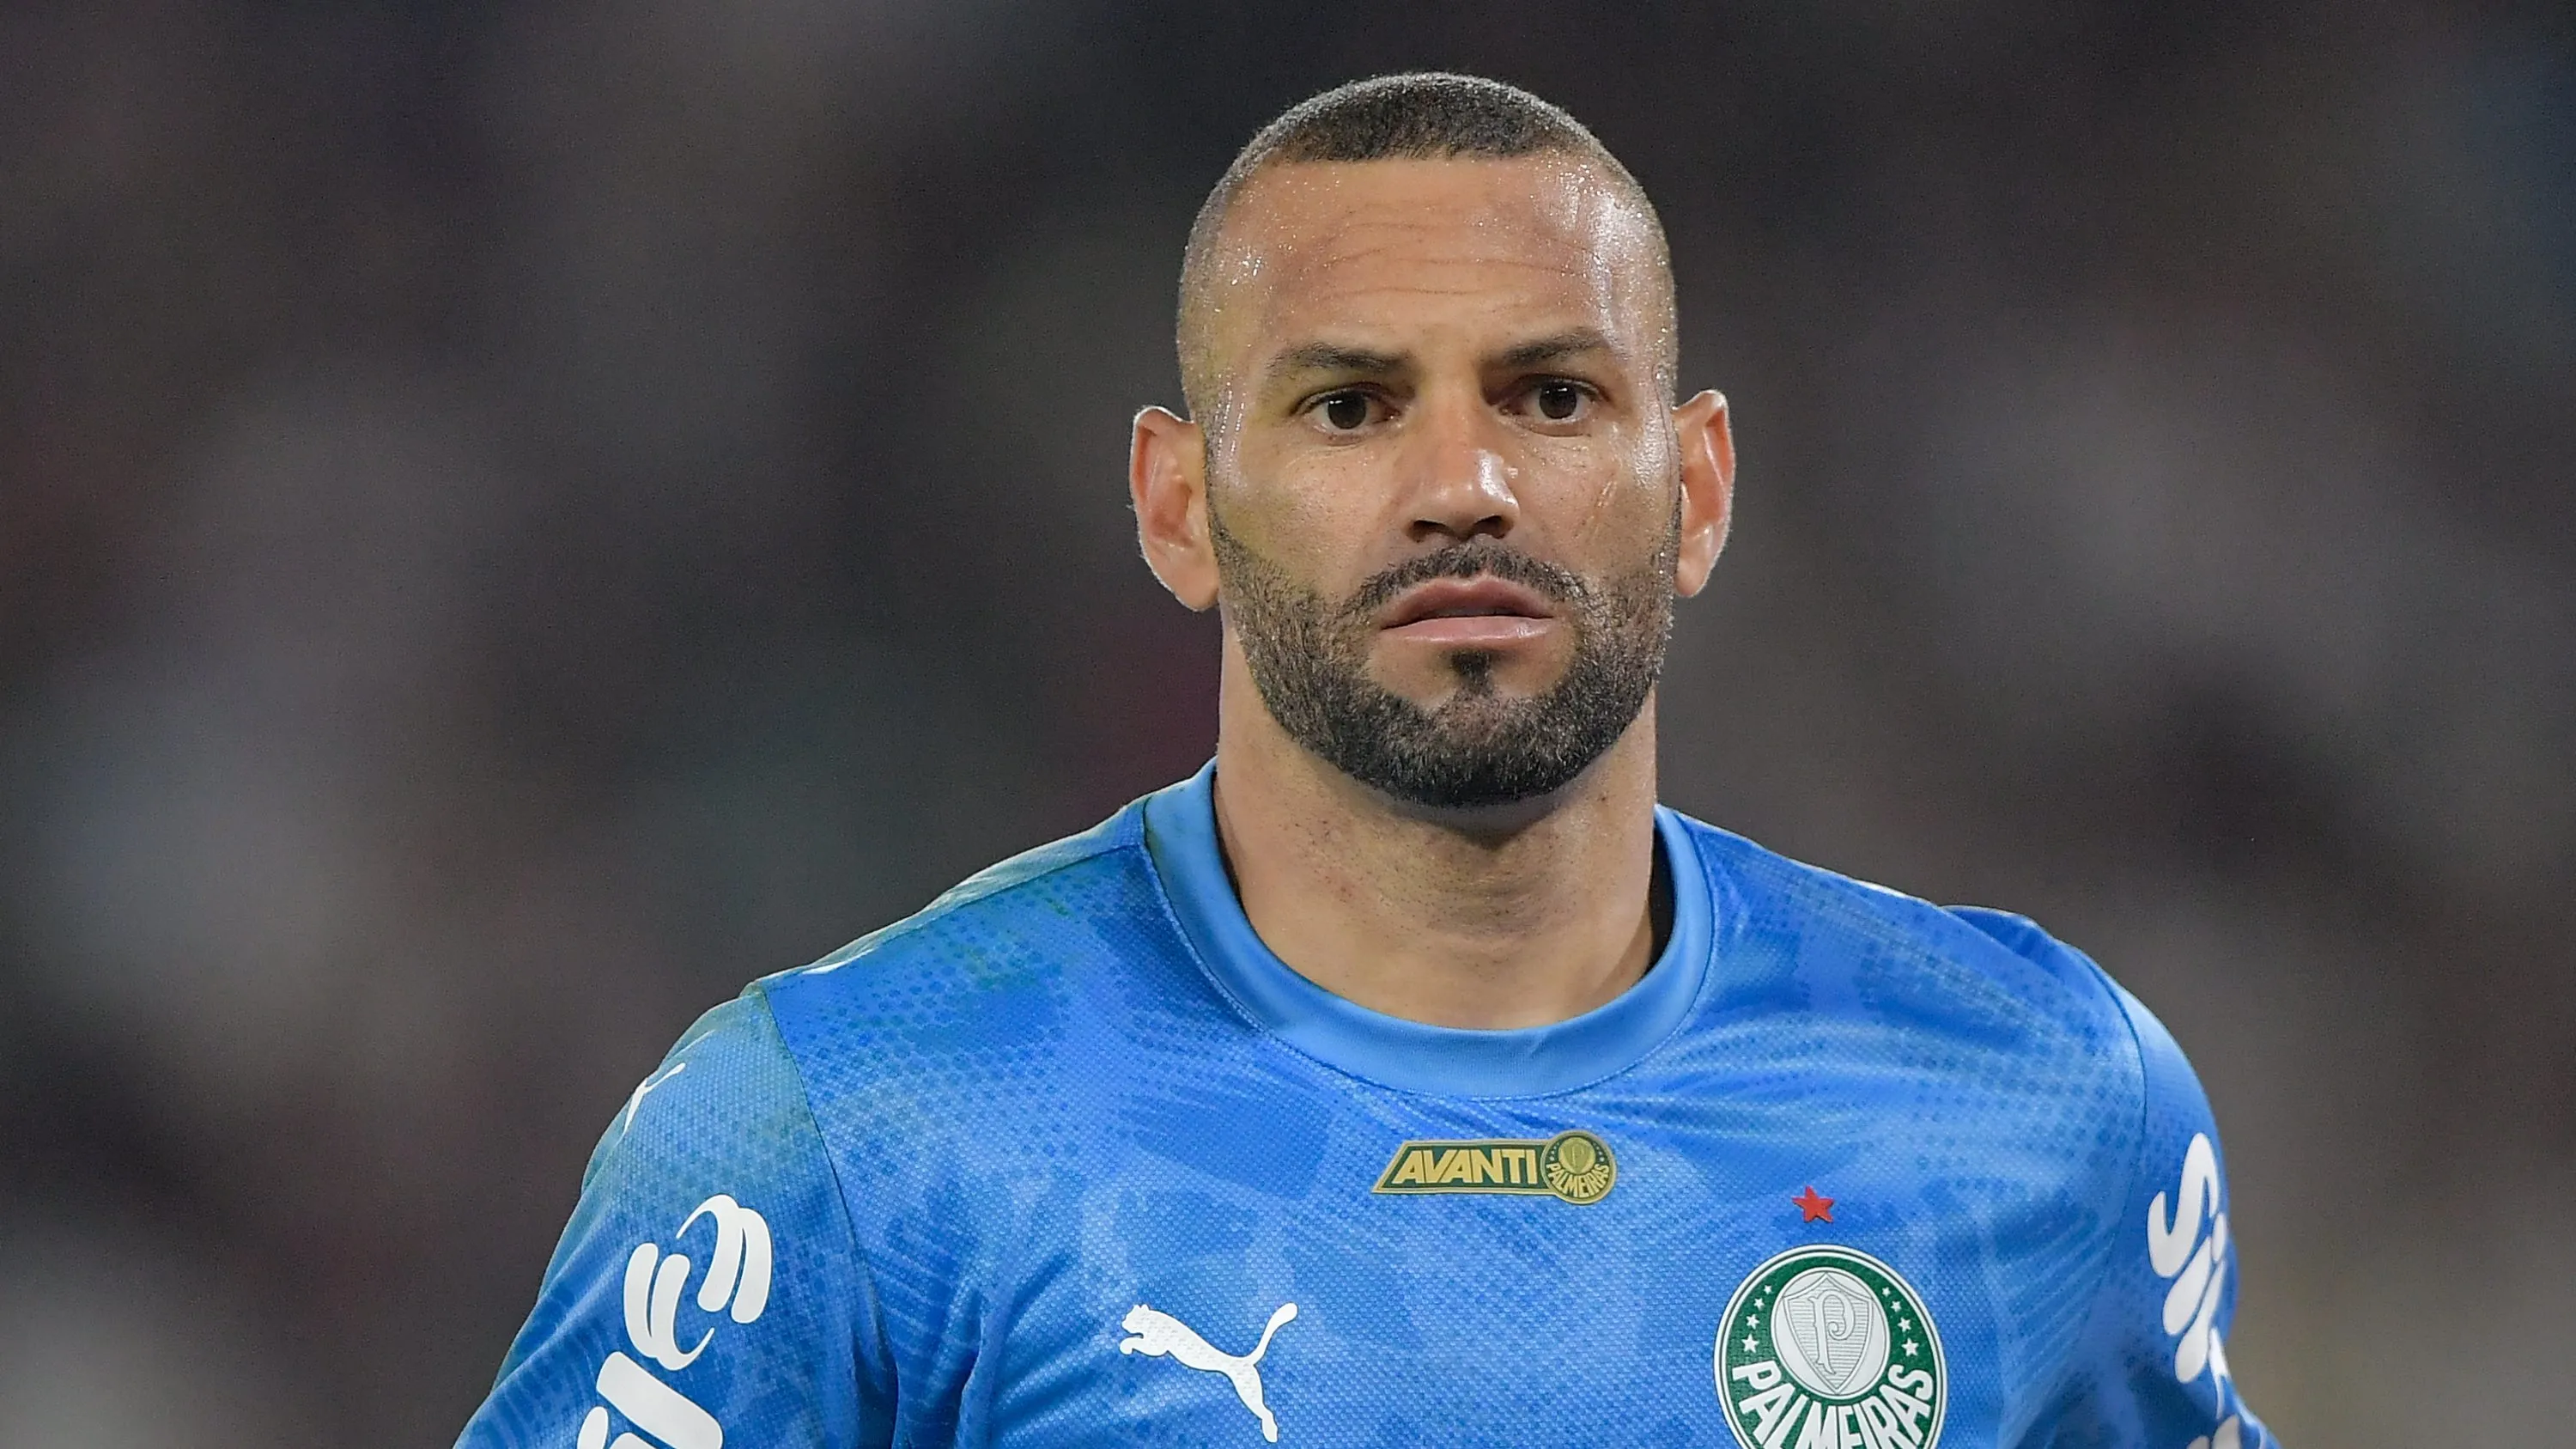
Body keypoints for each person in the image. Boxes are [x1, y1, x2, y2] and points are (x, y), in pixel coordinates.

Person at [455, 73, 2274, 1449]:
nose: (1461, 486)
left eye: (1552, 396)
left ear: (1698, 486)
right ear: (1178, 506)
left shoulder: (2037, 1101)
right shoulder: (851, 1140)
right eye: (1351, 406)